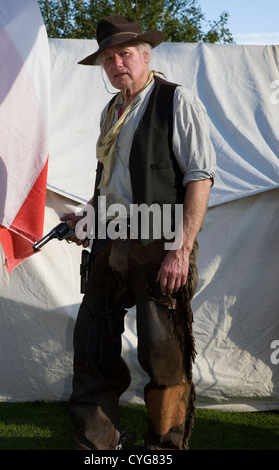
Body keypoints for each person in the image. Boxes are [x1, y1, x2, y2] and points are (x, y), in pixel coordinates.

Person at [63, 15, 216, 450]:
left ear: (145, 56)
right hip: (112, 243)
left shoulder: (176, 101)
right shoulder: (110, 112)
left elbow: (200, 178)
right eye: (108, 59)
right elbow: (111, 187)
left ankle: (165, 447)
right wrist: (86, 217)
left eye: (123, 54)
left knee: (163, 355)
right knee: (92, 347)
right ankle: (97, 445)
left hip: (160, 243)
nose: (115, 64)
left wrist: (180, 251)